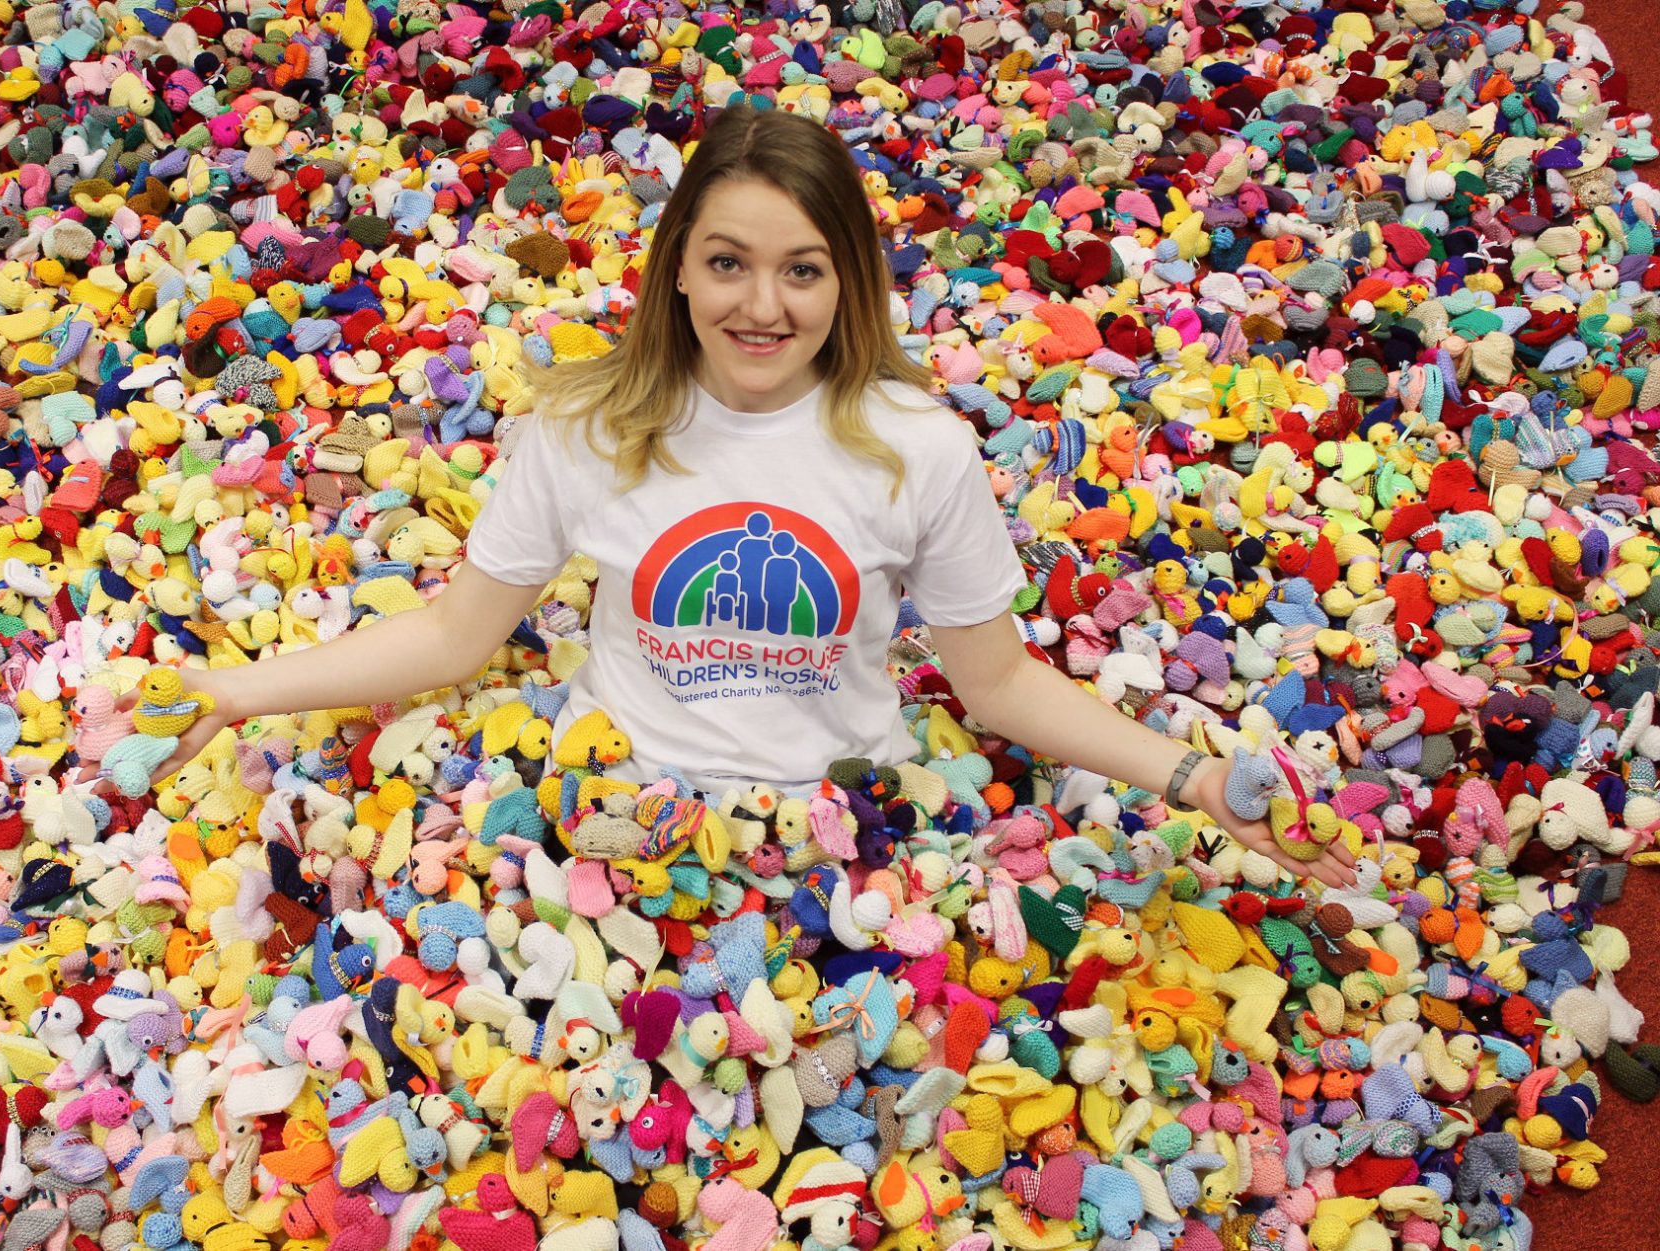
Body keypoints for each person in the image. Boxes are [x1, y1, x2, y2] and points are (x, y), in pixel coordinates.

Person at [97, 104, 1356, 889]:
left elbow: (1001, 685)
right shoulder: (588, 426)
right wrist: (231, 687)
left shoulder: (917, 445)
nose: (765, 306)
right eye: (730, 264)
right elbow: (453, 634)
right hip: (617, 820)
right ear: (678, 273)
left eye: (803, 269)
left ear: (850, 278)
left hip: (844, 831)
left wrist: (1194, 781)